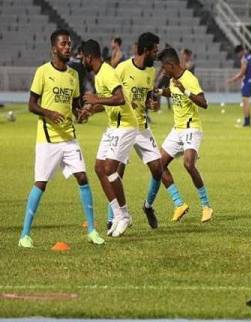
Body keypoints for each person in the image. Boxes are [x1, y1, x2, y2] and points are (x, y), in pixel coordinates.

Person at [18, 29, 104, 248]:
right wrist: (49, 113)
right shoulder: (43, 72)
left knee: (83, 178)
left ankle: (92, 231)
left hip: (69, 138)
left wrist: (81, 113)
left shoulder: (74, 75)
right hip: (48, 138)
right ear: (54, 48)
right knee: (41, 183)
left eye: (69, 44)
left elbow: (75, 107)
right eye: (64, 44)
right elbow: (31, 104)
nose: (68, 47)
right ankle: (25, 235)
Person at [111, 33, 189, 229]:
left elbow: (146, 98)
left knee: (158, 167)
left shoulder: (150, 72)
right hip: (123, 127)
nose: (157, 53)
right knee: (117, 173)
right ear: (146, 50)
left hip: (142, 128)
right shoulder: (122, 68)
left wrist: (151, 104)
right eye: (155, 49)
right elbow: (112, 95)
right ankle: (114, 216)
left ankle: (176, 203)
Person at [81, 39, 136, 238]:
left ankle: (125, 214)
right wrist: (90, 110)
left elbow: (120, 98)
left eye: (82, 57)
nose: (81, 61)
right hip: (113, 126)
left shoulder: (107, 72)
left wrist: (96, 99)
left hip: (126, 125)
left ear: (89, 57)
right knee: (98, 168)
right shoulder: (98, 75)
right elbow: (106, 104)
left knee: (110, 169)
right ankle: (120, 215)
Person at [155, 48, 214, 223]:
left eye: (164, 67)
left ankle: (206, 206)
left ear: (171, 65)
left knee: (188, 164)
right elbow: (172, 92)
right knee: (158, 165)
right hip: (177, 129)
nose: (163, 71)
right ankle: (179, 204)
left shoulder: (189, 79)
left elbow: (204, 103)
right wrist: (158, 92)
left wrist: (186, 91)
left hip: (191, 127)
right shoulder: (173, 80)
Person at [227, 45, 251, 127]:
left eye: (238, 53)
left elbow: (242, 72)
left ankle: (247, 122)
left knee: (245, 101)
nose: (238, 56)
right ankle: (248, 120)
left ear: (241, 51)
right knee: (247, 101)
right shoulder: (250, 57)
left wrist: (232, 80)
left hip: (247, 82)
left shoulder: (244, 59)